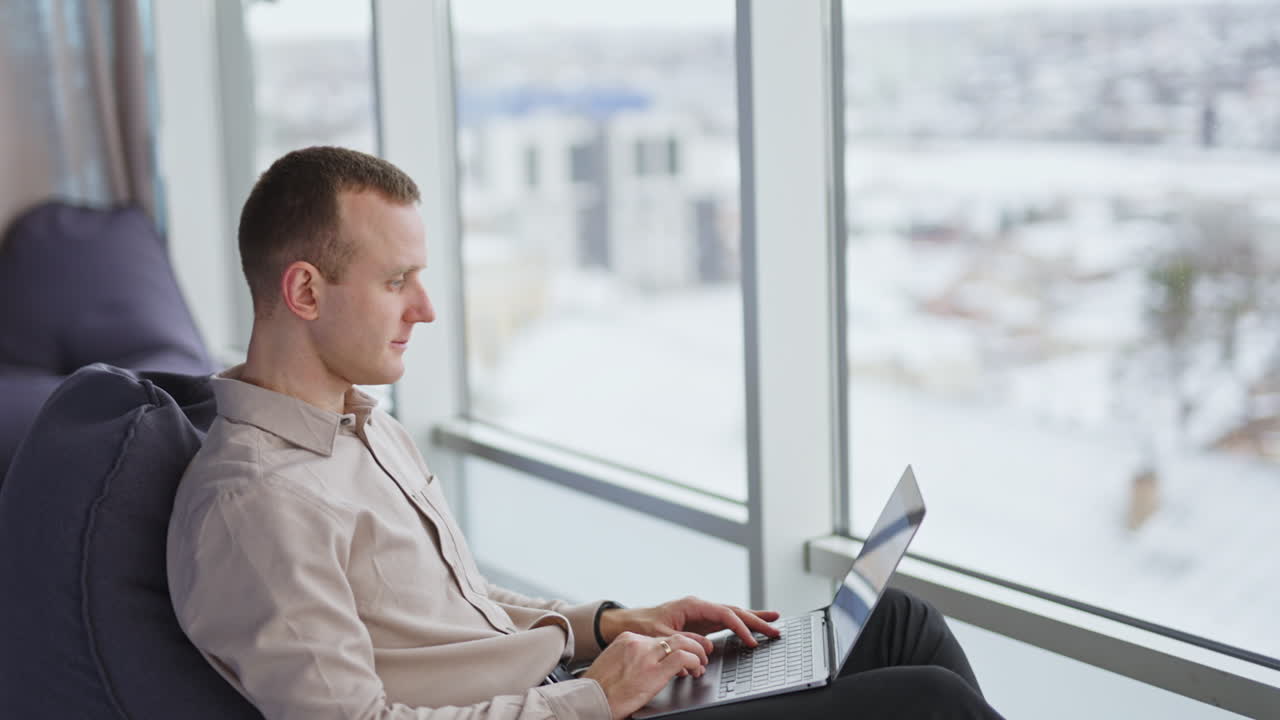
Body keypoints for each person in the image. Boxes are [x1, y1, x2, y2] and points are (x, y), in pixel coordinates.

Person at [167, 146, 1005, 720]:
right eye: (397, 281)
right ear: (306, 291)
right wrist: (595, 697)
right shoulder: (256, 505)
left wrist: (608, 625)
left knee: (899, 622)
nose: (424, 307)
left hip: (571, 690)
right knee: (929, 703)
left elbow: (464, 609)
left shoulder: (361, 428)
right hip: (573, 713)